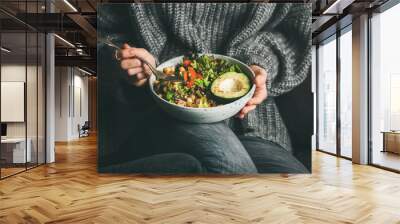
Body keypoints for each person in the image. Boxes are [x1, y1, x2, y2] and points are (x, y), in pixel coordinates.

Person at [98, 3, 311, 173]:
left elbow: (295, 33)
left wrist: (261, 64)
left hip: (256, 122)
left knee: (292, 182)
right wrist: (123, 59)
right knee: (230, 168)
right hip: (166, 109)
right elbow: (102, 31)